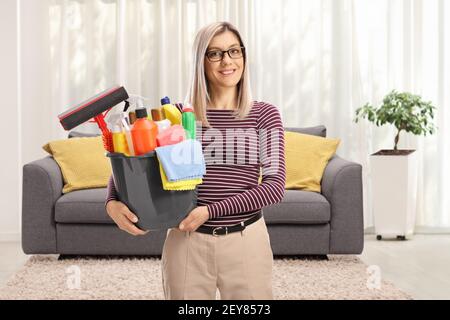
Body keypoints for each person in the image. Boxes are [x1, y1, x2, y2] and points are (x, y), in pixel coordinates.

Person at [105, 21, 286, 300]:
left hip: (246, 241)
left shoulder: (264, 115)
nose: (227, 60)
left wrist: (209, 211)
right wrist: (112, 203)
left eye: (234, 51)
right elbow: (137, 166)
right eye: (215, 53)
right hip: (187, 242)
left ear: (244, 56)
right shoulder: (177, 116)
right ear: (201, 61)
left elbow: (274, 187)